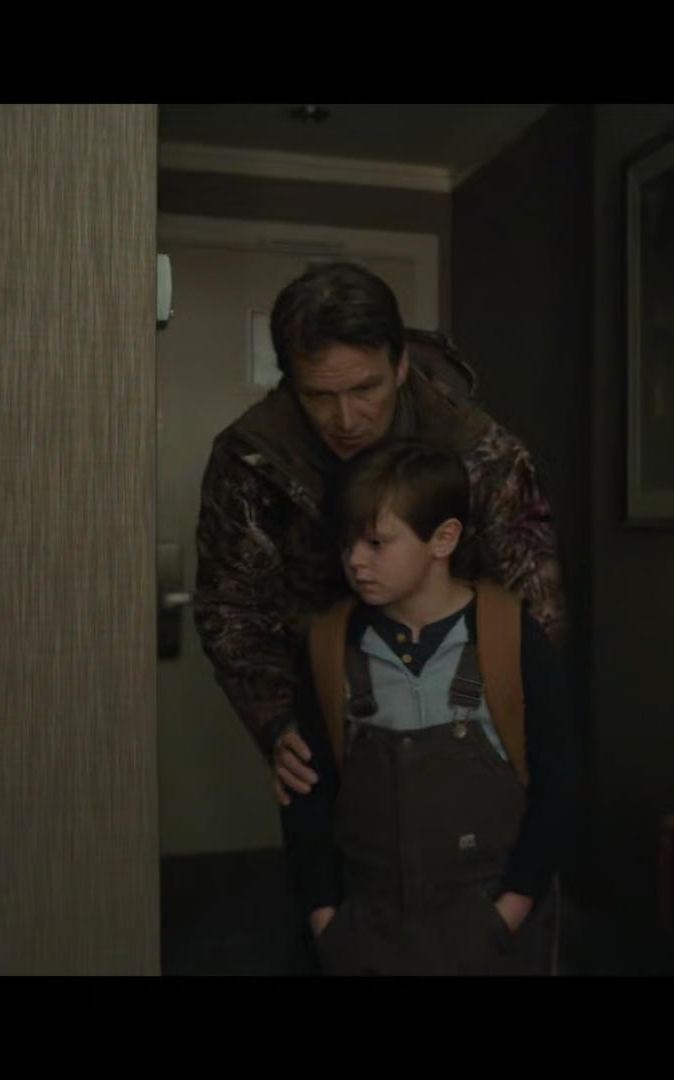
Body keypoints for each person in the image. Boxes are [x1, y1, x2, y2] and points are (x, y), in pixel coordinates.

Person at [192, 262, 566, 804]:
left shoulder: (481, 454)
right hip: (324, 711)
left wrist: (507, 724)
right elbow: (230, 607)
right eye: (320, 395)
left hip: (468, 711)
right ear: (290, 381)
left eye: (366, 388)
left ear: (401, 364)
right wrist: (279, 722)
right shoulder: (251, 459)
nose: (347, 420)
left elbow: (533, 608)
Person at [280, 439, 582, 975]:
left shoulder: (511, 638)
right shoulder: (328, 647)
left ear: (443, 539)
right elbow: (308, 796)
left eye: (377, 542)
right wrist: (327, 919)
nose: (355, 560)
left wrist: (510, 911)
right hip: (368, 937)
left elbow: (558, 786)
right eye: (347, 542)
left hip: (492, 935)